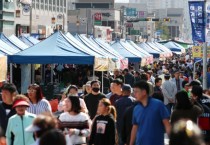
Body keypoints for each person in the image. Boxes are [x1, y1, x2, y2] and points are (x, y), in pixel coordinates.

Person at [129, 81, 171, 145]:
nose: (134, 94)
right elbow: (135, 127)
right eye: (133, 91)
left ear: (144, 92)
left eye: (136, 91)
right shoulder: (136, 108)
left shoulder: (158, 105)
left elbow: (167, 125)